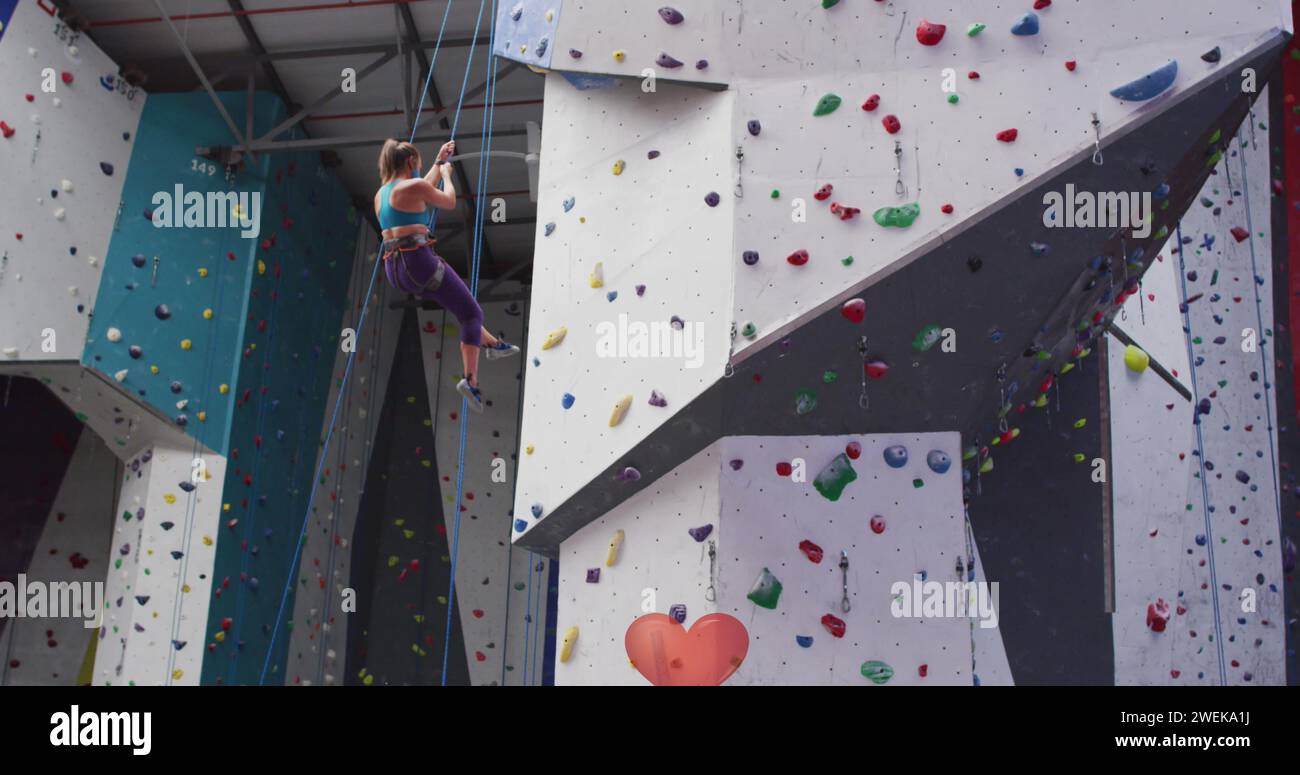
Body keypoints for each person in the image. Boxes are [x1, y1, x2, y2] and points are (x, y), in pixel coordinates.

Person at [374, 139, 518, 412]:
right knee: (471, 313)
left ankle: (491, 344)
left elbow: (420, 190)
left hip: (396, 270)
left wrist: (438, 162)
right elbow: (448, 200)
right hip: (419, 264)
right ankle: (471, 380)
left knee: (459, 305)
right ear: (409, 163)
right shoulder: (412, 186)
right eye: (416, 163)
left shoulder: (382, 194)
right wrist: (447, 176)